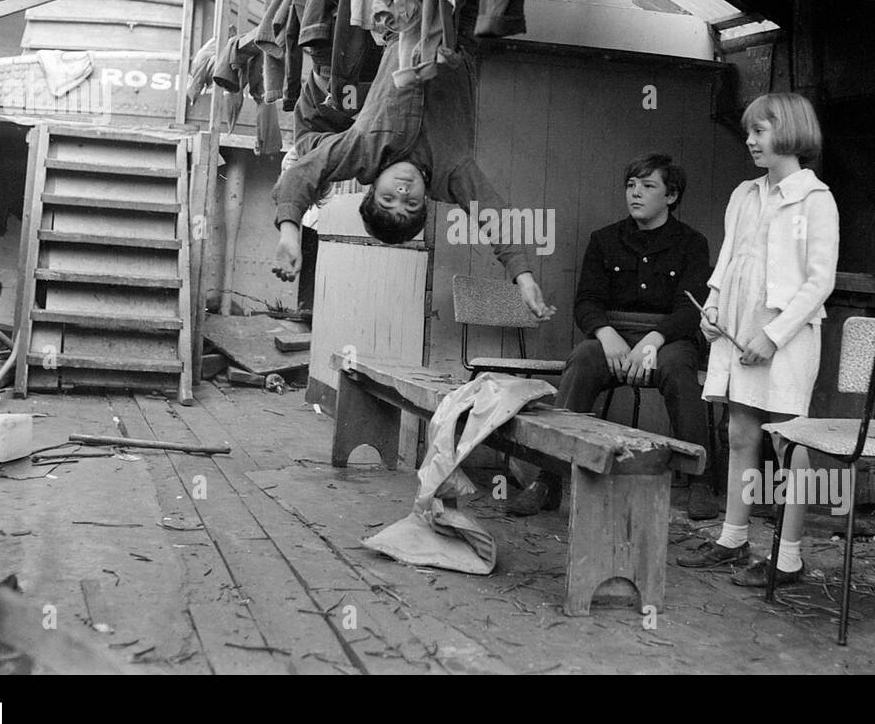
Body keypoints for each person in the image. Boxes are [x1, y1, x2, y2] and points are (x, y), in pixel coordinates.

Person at [678, 93, 839, 588]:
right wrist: (712, 305)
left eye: (760, 130)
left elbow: (820, 282)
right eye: (749, 131)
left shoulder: (816, 200)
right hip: (738, 323)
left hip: (785, 334)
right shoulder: (744, 194)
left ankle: (788, 558)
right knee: (741, 431)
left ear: (789, 133)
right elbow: (728, 260)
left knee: (791, 441)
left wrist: (772, 337)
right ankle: (732, 537)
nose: (750, 140)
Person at [270, 46, 555, 321]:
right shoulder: (453, 174)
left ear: (372, 188)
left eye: (388, 199)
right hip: (459, 35)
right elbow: (496, 219)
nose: (402, 192)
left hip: (405, 20)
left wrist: (289, 233)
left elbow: (301, 173)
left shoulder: (363, 150)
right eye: (411, 203)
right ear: (426, 200)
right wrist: (524, 277)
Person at [507, 153, 719, 519]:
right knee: (583, 359)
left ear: (671, 196)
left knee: (680, 370)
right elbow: (587, 301)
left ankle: (700, 482)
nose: (635, 194)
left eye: (648, 186)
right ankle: (549, 479)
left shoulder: (691, 244)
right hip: (614, 335)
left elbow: (690, 310)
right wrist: (605, 334)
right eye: (631, 185)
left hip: (668, 338)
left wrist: (653, 341)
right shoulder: (605, 240)